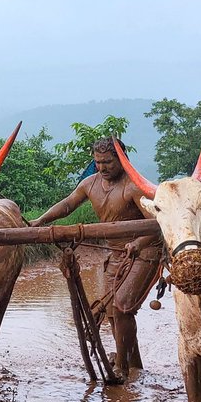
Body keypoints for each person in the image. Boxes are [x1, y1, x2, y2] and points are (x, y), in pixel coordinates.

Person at [28, 137, 163, 377]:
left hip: (145, 252)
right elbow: (68, 205)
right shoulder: (89, 184)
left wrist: (138, 243)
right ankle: (135, 366)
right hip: (114, 254)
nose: (102, 167)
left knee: (122, 307)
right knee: (112, 313)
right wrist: (41, 221)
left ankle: (121, 368)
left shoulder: (134, 186)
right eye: (98, 162)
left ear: (122, 160)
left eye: (108, 162)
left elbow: (158, 224)